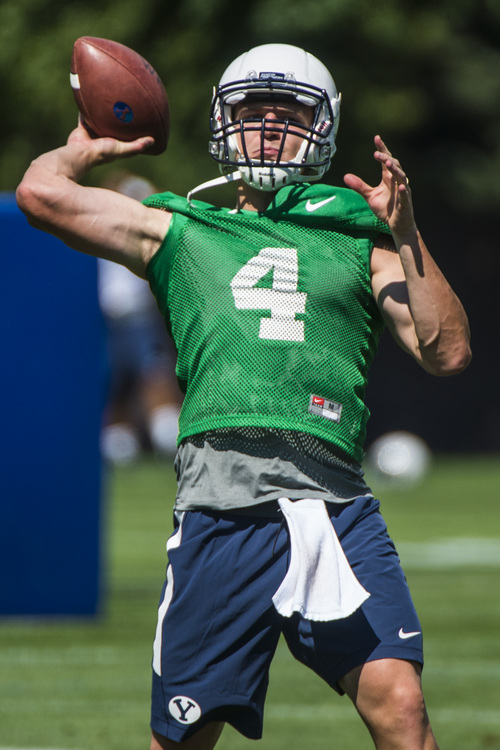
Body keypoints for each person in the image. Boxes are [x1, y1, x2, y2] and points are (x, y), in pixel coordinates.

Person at [17, 43, 471, 750]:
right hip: (221, 510)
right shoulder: (181, 227)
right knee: (183, 741)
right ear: (222, 124)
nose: (266, 128)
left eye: (286, 114)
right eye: (251, 113)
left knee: (402, 707)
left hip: (334, 506)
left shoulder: (360, 239)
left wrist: (405, 234)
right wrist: (85, 147)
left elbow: (446, 351)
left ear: (319, 130)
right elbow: (41, 196)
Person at [97, 171, 182, 465]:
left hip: (141, 319)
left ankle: (165, 442)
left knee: (154, 377)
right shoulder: (98, 229)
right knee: (112, 386)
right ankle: (120, 447)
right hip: (103, 322)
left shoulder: (153, 234)